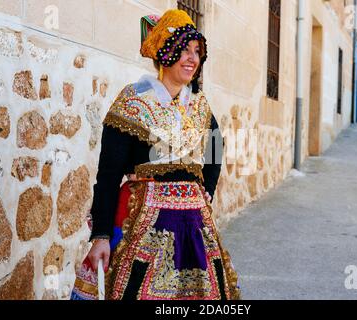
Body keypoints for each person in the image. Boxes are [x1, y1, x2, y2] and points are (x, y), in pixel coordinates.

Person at [71, 9, 240, 300]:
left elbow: (215, 148)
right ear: (165, 52)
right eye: (184, 50)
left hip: (194, 224)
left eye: (197, 52)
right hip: (141, 221)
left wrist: (206, 191)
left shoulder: (199, 106)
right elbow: (109, 173)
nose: (192, 58)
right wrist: (100, 235)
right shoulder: (133, 102)